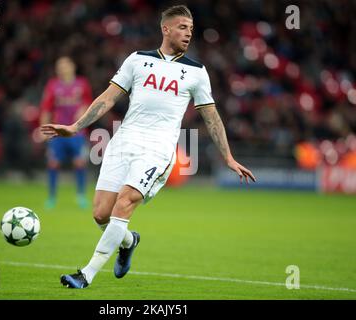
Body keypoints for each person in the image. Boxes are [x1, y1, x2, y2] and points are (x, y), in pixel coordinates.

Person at [41, 5, 256, 289]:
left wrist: (227, 156)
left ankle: (86, 274)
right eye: (182, 27)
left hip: (157, 149)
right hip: (123, 142)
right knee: (100, 214)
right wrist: (75, 127)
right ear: (165, 28)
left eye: (191, 29)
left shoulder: (196, 72)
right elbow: (108, 98)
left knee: (126, 200)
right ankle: (129, 241)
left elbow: (211, 115)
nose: (188, 33)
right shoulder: (137, 60)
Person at [40, 56, 92, 209]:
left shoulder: (82, 84)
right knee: (53, 163)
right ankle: (52, 197)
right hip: (58, 131)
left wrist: (83, 113)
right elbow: (46, 108)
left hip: (77, 132)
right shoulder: (52, 85)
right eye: (59, 66)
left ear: (72, 67)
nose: (62, 69)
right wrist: (43, 128)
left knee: (79, 162)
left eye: (64, 65)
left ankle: (81, 196)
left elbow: (89, 104)